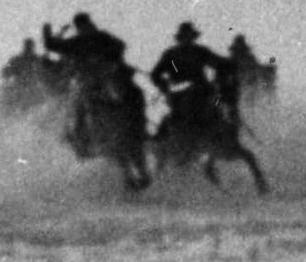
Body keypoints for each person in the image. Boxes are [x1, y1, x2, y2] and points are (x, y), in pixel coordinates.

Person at [44, 13, 140, 157]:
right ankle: (82, 144)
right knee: (77, 109)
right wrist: (47, 33)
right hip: (86, 82)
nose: (84, 28)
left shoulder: (102, 37)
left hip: (105, 78)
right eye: (81, 26)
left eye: (85, 25)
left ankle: (138, 129)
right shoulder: (77, 42)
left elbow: (120, 46)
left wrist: (106, 57)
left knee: (133, 95)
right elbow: (53, 45)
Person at [149, 22, 230, 128]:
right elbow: (155, 74)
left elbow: (218, 62)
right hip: (179, 93)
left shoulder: (200, 51)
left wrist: (234, 62)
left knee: (218, 106)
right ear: (180, 39)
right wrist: (164, 87)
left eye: (189, 37)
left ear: (193, 38)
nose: (187, 40)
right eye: (184, 37)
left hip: (203, 90)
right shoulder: (170, 55)